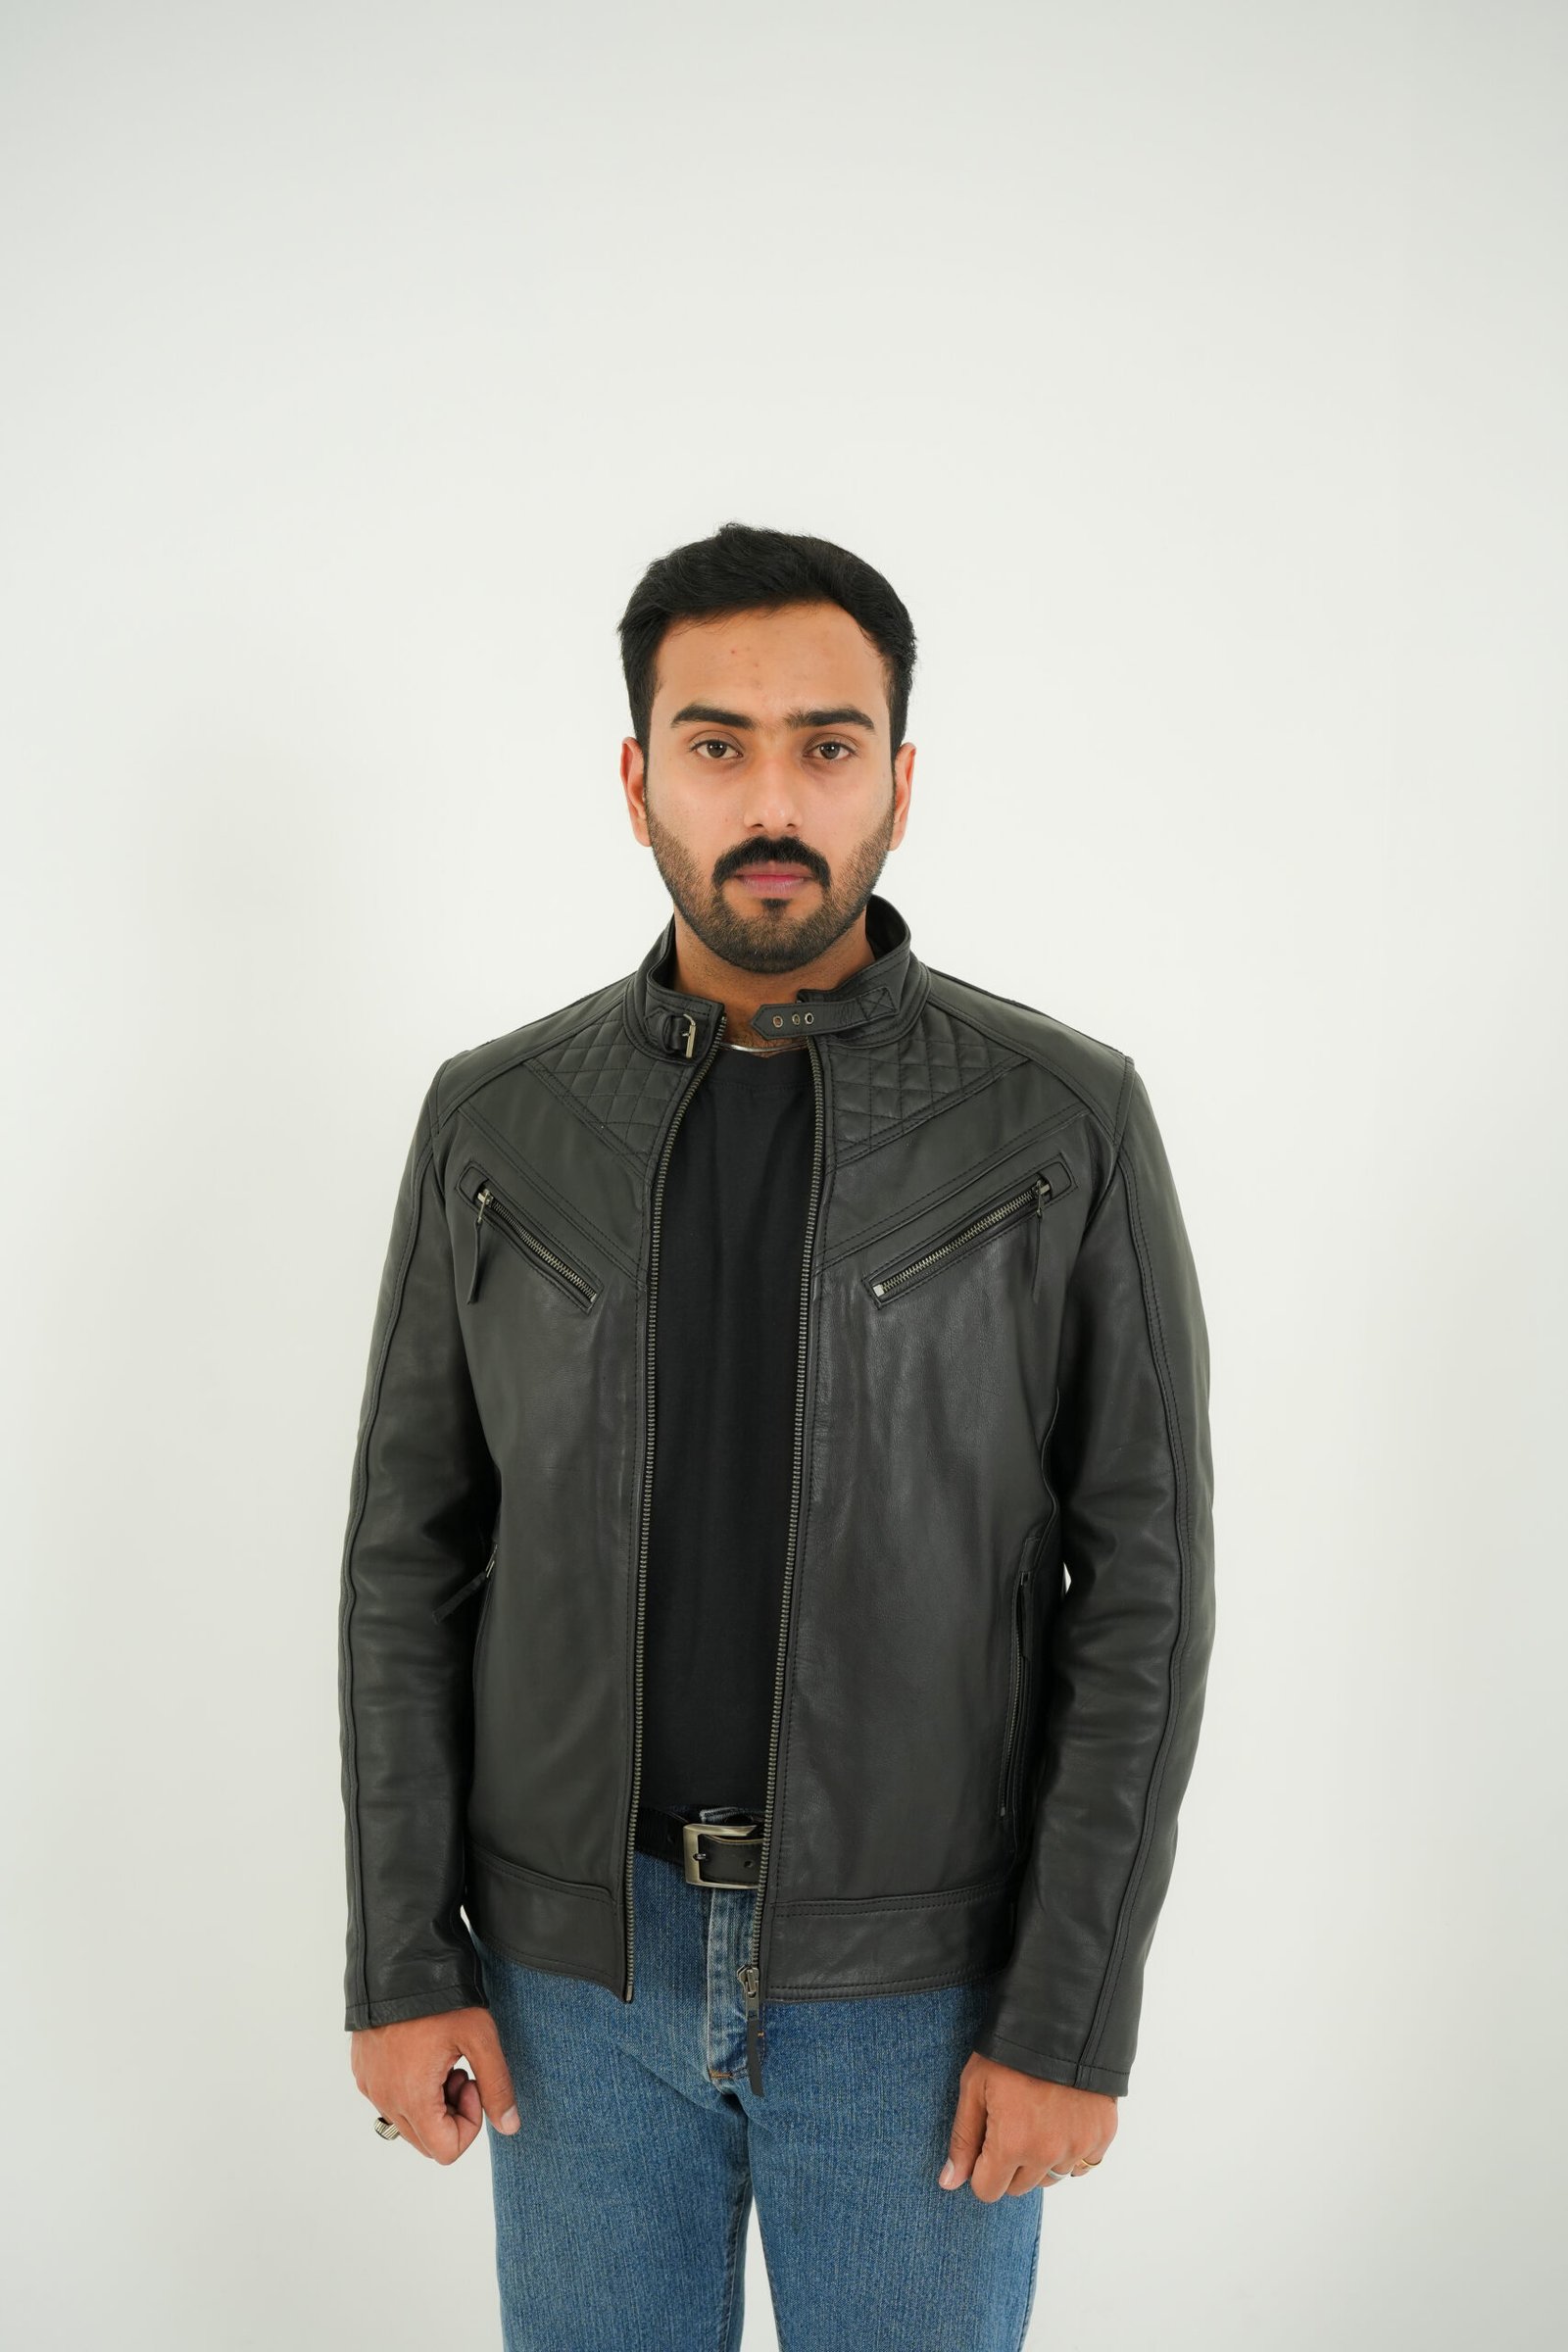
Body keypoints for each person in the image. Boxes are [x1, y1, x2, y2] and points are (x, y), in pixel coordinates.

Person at [338, 520, 1216, 2350]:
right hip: (578, 1985)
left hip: (921, 1986)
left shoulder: (1059, 1123)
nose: (772, 801)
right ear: (636, 779)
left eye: (826, 746)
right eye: (717, 743)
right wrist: (405, 1960)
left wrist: (1069, 2014)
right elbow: (406, 1565)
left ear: (899, 781)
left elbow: (1144, 1592)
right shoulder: (496, 1124)